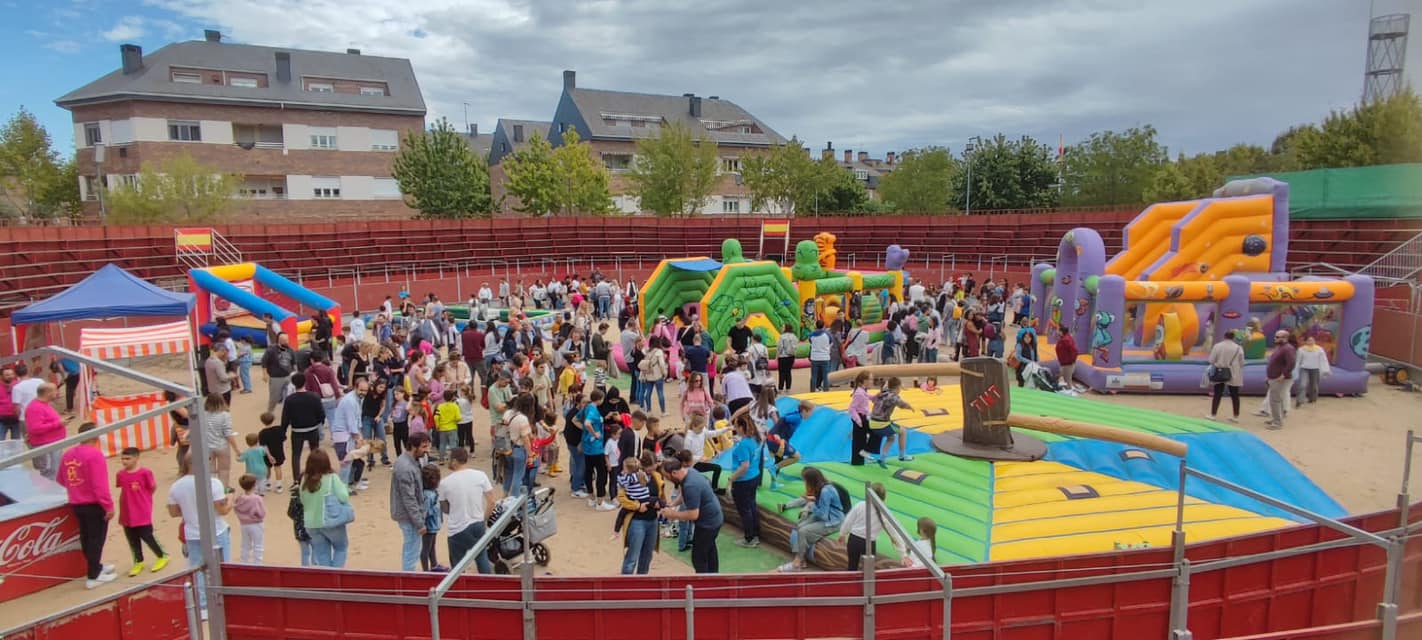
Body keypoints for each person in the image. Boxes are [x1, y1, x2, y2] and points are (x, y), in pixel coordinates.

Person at [168, 452, 232, 614]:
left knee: (199, 571)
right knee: (223, 567)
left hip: (193, 533)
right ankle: (224, 601)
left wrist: (190, 509)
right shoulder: (213, 483)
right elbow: (222, 509)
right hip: (216, 530)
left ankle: (204, 606)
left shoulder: (177, 486)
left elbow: (174, 512)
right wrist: (231, 500)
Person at [60, 422, 117, 589]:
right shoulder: (95, 455)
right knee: (96, 539)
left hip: (77, 503)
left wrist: (77, 489)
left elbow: (61, 479)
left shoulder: (68, 454)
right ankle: (93, 575)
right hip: (93, 504)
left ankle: (96, 567)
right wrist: (108, 506)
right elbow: (100, 486)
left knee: (87, 537)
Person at [660, 458, 723, 573]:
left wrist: (673, 514)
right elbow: (683, 493)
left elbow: (693, 514)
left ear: (674, 473)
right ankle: (714, 576)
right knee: (709, 549)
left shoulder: (690, 485)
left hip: (707, 523)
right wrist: (673, 504)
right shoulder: (689, 472)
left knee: (698, 557)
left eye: (666, 476)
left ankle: (703, 584)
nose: (666, 479)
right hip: (714, 517)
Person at [776, 467, 845, 572]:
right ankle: (802, 559)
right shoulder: (821, 487)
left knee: (804, 531)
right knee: (800, 525)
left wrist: (810, 506)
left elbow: (823, 515)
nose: (805, 483)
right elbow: (821, 504)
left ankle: (797, 562)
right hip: (825, 514)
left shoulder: (826, 490)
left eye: (805, 480)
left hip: (833, 521)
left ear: (811, 480)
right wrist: (811, 501)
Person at [439, 447, 496, 574]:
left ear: (454, 461)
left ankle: (460, 590)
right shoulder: (480, 475)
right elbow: (491, 501)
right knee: (481, 557)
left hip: (457, 528)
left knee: (457, 565)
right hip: (477, 523)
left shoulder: (445, 483)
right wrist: (484, 519)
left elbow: (444, 508)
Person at [115, 447, 169, 577]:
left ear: (136, 458)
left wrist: (145, 500)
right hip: (126, 511)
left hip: (141, 510)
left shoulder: (145, 473)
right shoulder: (120, 474)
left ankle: (162, 556)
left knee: (147, 536)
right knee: (132, 538)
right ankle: (138, 561)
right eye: (123, 458)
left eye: (128, 458)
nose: (124, 461)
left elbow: (152, 487)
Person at [299, 449, 352, 568]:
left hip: (311, 523)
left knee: (322, 554)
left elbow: (302, 500)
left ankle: (327, 579)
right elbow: (344, 497)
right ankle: (335, 577)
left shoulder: (304, 480)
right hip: (331, 521)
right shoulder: (332, 478)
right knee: (341, 548)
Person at [391, 431, 433, 571]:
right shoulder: (405, 467)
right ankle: (408, 578)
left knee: (411, 547)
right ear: (413, 447)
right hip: (408, 516)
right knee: (412, 550)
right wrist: (419, 523)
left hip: (410, 514)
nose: (427, 450)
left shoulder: (413, 460)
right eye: (424, 447)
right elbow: (408, 498)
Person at [613, 456, 662, 574]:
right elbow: (621, 498)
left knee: (647, 555)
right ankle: (625, 586)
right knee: (632, 556)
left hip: (653, 520)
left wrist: (659, 504)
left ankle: (642, 584)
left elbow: (660, 495)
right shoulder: (631, 478)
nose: (655, 467)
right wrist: (637, 506)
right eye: (653, 465)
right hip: (636, 521)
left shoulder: (657, 476)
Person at [279, 373, 326, 485]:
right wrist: (320, 421)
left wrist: (283, 431)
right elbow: (321, 413)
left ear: (293, 384)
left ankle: (296, 480)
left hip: (297, 431)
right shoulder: (314, 396)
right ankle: (316, 474)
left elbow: (285, 417)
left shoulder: (290, 399)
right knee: (315, 453)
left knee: (296, 455)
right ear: (305, 382)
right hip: (312, 428)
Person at [726, 415, 762, 548]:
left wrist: (731, 479)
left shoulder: (744, 445)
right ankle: (755, 533)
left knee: (744, 509)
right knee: (751, 505)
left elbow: (744, 465)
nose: (735, 428)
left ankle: (750, 538)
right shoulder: (756, 439)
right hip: (754, 476)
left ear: (742, 427)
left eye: (736, 426)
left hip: (743, 480)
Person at [864, 377, 914, 467]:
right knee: (903, 431)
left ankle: (882, 459)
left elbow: (889, 385)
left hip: (872, 422)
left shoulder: (883, 392)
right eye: (900, 388)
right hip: (881, 424)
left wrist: (899, 385)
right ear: (897, 388)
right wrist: (909, 406)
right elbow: (901, 403)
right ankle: (902, 455)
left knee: (891, 438)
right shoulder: (892, 397)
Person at [581, 389, 616, 511]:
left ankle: (591, 498)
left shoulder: (586, 407)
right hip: (596, 448)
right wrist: (594, 434)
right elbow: (587, 423)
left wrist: (585, 434)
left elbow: (576, 419)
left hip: (587, 446)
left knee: (589, 472)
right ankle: (600, 501)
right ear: (600, 399)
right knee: (601, 473)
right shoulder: (593, 410)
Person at [840, 482, 887, 571]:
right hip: (869, 542)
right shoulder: (883, 511)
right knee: (868, 569)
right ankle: (866, 584)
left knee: (852, 565)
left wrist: (843, 533)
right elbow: (890, 528)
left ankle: (851, 582)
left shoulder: (860, 505)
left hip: (854, 539)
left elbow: (848, 520)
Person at [25, 382, 66, 480]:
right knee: (50, 472)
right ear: (48, 393)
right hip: (46, 446)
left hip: (51, 444)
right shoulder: (35, 408)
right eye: (56, 390)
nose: (57, 393)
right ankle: (50, 493)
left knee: (54, 470)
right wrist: (57, 424)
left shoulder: (43, 405)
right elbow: (35, 428)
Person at [201, 393, 241, 491]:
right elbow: (228, 433)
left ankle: (213, 489)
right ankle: (223, 489)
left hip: (207, 446)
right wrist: (236, 449)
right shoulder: (225, 415)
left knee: (211, 470)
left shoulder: (202, 414)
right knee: (224, 469)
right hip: (221, 446)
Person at [1206, 330, 1245, 422]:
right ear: (1233, 337)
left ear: (1224, 336)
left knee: (1217, 394)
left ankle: (1213, 414)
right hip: (1234, 372)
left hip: (1220, 371)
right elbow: (1242, 363)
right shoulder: (1238, 348)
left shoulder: (1217, 346)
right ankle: (1235, 416)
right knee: (1235, 395)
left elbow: (1211, 360)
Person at [1265, 330, 1297, 430]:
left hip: (1279, 378)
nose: (1277, 339)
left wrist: (1283, 375)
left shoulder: (1288, 349)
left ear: (1286, 338)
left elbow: (1291, 363)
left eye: (1279, 337)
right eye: (1276, 337)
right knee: (1277, 399)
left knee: (1275, 400)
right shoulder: (1279, 347)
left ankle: (1277, 422)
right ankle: (1277, 418)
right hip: (1274, 376)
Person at [420, 464, 447, 571]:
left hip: (434, 525)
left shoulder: (432, 493)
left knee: (432, 547)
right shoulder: (428, 495)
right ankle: (426, 571)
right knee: (426, 550)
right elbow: (425, 511)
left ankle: (434, 565)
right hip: (429, 526)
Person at [234, 474, 266, 564]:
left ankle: (244, 563)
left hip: (243, 524)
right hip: (256, 524)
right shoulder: (257, 498)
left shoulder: (239, 498)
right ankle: (257, 564)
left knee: (245, 545)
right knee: (258, 545)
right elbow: (261, 513)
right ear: (254, 485)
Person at [261, 334, 297, 413]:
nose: (287, 342)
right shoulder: (271, 349)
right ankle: (270, 413)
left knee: (290, 396)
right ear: (280, 341)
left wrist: (296, 374)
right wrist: (264, 374)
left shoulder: (290, 350)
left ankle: (289, 413)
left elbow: (294, 363)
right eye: (284, 341)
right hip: (276, 377)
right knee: (274, 397)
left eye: (287, 340)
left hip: (288, 376)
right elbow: (264, 361)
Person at [1295, 336, 1331, 407]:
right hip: (1304, 369)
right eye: (1309, 340)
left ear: (1314, 341)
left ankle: (1312, 398)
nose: (1310, 342)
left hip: (1315, 369)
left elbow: (1323, 360)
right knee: (1303, 385)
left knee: (1314, 386)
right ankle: (1300, 401)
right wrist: (1296, 369)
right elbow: (1298, 360)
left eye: (1312, 340)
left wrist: (1325, 369)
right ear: (1306, 341)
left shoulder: (1319, 349)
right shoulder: (1301, 349)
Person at [847, 372, 874, 466]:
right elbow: (851, 408)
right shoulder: (859, 393)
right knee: (875, 432)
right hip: (860, 418)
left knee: (859, 441)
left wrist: (876, 397)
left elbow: (867, 397)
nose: (872, 381)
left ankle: (858, 461)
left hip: (862, 417)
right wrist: (858, 421)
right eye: (870, 379)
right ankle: (864, 452)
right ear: (864, 381)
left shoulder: (862, 391)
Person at [638, 336, 668, 415]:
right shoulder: (659, 352)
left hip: (648, 375)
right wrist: (664, 373)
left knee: (648, 392)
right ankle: (663, 411)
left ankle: (649, 410)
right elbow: (661, 364)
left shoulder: (646, 351)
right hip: (657, 375)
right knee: (660, 393)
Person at [807, 321, 832, 392]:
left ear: (816, 325)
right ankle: (826, 390)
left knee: (814, 376)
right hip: (825, 357)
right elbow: (830, 342)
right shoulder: (827, 334)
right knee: (825, 376)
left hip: (815, 357)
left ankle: (812, 390)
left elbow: (810, 342)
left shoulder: (811, 335)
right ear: (823, 325)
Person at [776, 325, 798, 391]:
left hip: (783, 356)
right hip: (791, 356)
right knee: (788, 371)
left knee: (782, 372)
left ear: (786, 328)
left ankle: (780, 387)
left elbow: (780, 347)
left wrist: (777, 355)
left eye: (783, 327)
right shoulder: (794, 336)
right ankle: (788, 387)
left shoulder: (782, 336)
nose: (782, 328)